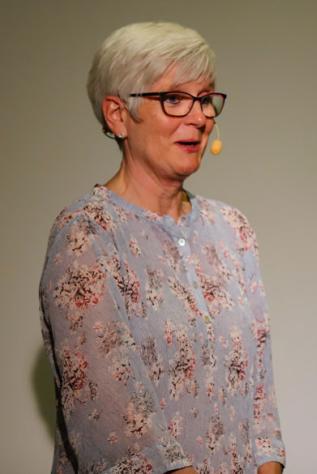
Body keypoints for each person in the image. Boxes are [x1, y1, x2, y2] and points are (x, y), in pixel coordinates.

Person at [39, 22, 285, 474]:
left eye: (205, 99)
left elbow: (260, 404)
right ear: (117, 114)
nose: (200, 117)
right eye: (174, 99)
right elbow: (116, 427)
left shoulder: (232, 229)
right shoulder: (87, 233)